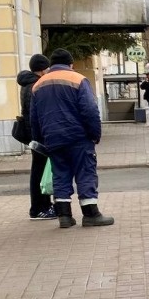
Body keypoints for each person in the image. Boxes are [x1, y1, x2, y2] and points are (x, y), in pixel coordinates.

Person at [30, 48, 114, 228]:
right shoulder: (78, 79)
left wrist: (41, 141)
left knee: (60, 175)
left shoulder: (38, 85)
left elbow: (34, 118)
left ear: (51, 65)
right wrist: (95, 134)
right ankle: (90, 214)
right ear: (71, 64)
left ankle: (64, 216)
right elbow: (90, 110)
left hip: (52, 140)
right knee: (85, 173)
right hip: (78, 138)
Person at [16, 53, 55, 220]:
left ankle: (44, 205)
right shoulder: (35, 85)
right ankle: (39, 208)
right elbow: (37, 113)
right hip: (37, 135)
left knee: (40, 170)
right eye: (47, 68)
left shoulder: (28, 84)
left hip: (34, 134)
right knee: (39, 172)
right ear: (42, 70)